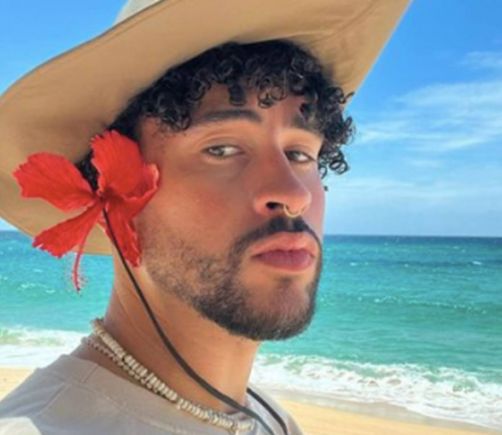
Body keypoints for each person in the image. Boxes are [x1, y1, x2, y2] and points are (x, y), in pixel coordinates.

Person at [0, 1, 409, 433]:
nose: (293, 195)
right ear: (112, 197)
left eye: (299, 153)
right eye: (222, 149)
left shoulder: (271, 420)